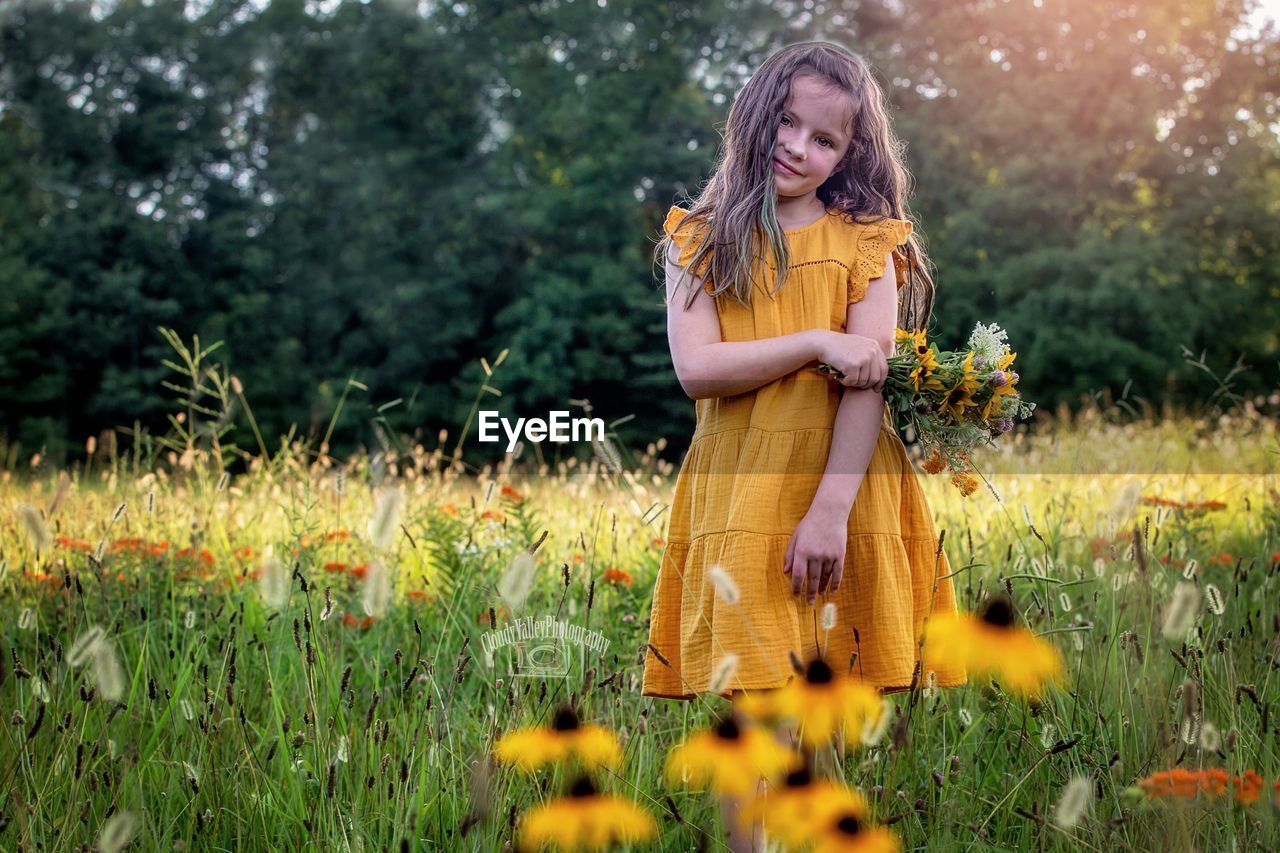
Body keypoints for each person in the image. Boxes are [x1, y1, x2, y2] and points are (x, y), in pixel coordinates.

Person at [641, 41, 967, 851]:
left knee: (814, 710)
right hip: (745, 492)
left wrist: (830, 511)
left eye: (824, 139)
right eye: (786, 123)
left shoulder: (866, 244)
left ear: (849, 152)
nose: (798, 147)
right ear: (755, 117)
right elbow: (698, 370)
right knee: (756, 712)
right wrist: (815, 339)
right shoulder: (702, 240)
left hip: (840, 490)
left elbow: (869, 379)